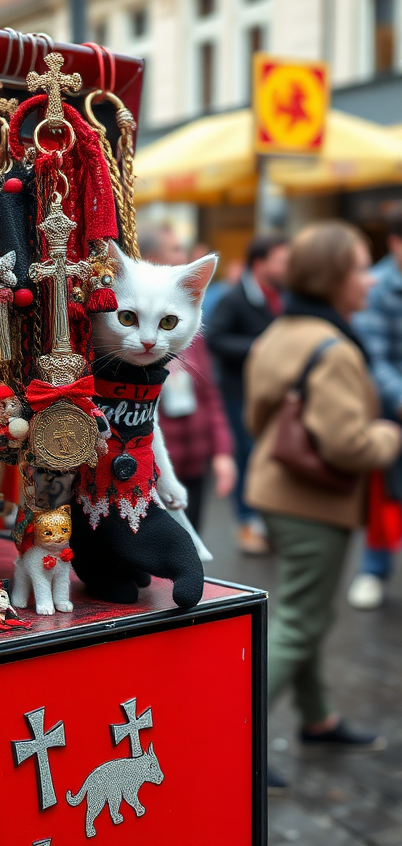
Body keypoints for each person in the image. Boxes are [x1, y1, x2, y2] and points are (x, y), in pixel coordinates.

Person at [244, 221, 401, 790]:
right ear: (335, 276)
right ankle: (240, 740)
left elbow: (257, 418)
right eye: (361, 266)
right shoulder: (333, 347)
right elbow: (348, 444)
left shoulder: (283, 330)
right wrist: (388, 434)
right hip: (314, 503)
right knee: (301, 621)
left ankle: (318, 720)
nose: (369, 278)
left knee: (304, 612)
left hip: (278, 491)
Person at [139, 226, 237, 529]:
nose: (184, 256)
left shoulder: (186, 325)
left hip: (195, 464)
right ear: (154, 259)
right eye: (176, 249)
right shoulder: (137, 332)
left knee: (192, 541)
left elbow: (209, 394)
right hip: (149, 469)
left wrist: (222, 452)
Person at [207, 234, 289, 554]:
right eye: (282, 261)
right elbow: (216, 339)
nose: (288, 267)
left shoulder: (284, 295)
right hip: (239, 392)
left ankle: (267, 519)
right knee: (245, 454)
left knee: (268, 456)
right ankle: (247, 522)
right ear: (260, 263)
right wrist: (256, 348)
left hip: (275, 393)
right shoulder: (234, 297)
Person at [348, 218, 402, 609]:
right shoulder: (377, 286)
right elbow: (374, 357)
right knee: (384, 498)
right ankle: (373, 571)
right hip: (390, 412)